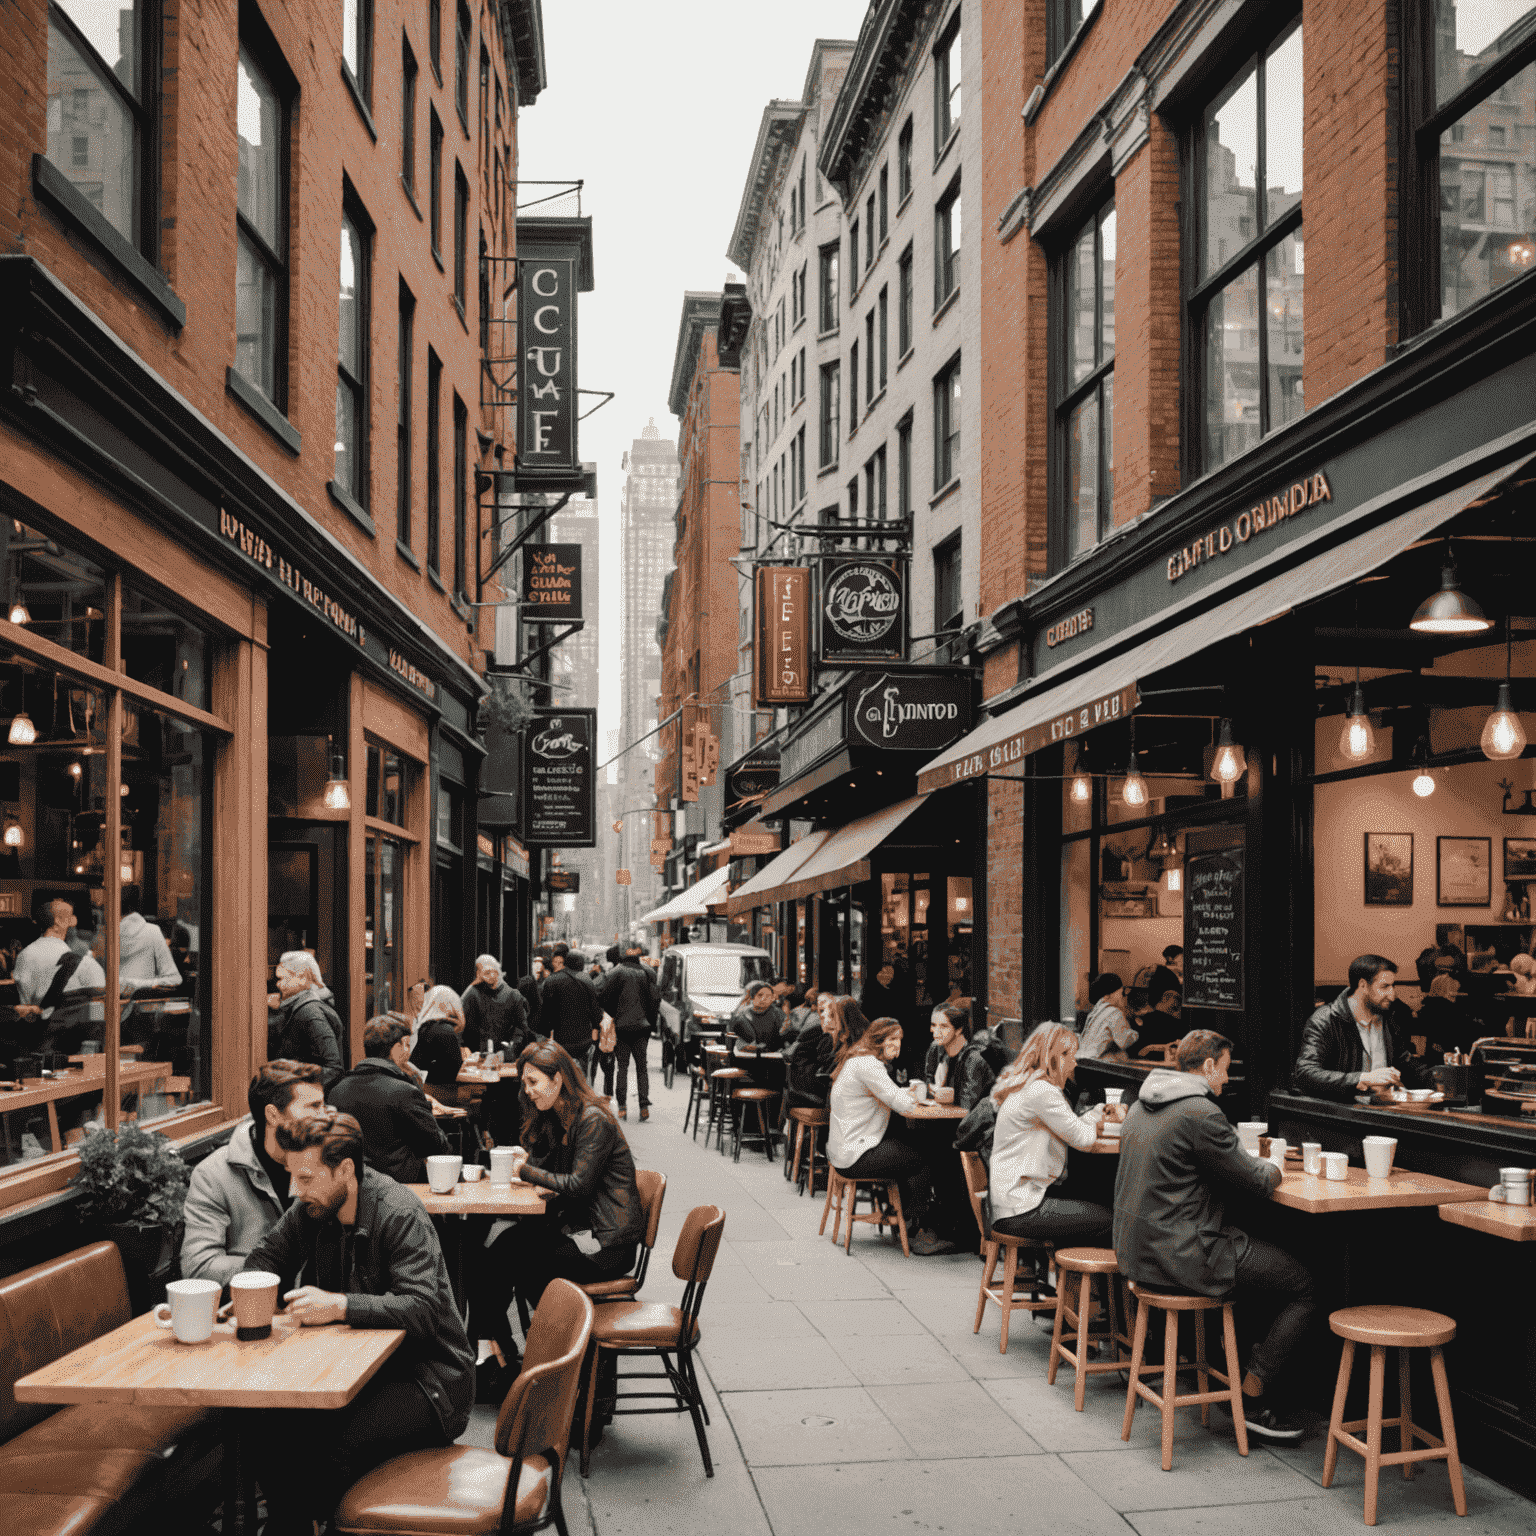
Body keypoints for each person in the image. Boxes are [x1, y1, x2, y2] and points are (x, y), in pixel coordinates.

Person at [244, 1112, 474, 1536]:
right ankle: (295, 1524)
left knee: (329, 1440)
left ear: (346, 1170)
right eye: (293, 1177)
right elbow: (266, 1258)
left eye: (308, 1178)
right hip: (356, 1371)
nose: (296, 1190)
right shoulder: (311, 1208)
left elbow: (421, 1308)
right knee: (264, 1424)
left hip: (431, 1381)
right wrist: (246, 1298)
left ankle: (327, 1523)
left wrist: (341, 1306)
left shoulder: (398, 1213)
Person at [1114, 1029, 1314, 1444]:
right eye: (1224, 1070)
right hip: (1182, 1254)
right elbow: (1258, 1181)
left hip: (1137, 1252)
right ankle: (1252, 1395)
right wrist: (1276, 1162)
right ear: (1207, 1066)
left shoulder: (1142, 1101)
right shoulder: (1199, 1112)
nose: (1225, 1081)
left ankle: (1229, 1371)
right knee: (1302, 1286)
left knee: (1259, 1269)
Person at [483, 1040, 643, 1351]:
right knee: (500, 1249)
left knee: (523, 1260)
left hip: (606, 1245)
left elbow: (577, 1184)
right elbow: (554, 1171)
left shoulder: (593, 1118)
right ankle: (496, 1348)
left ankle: (560, 1348)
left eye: (533, 1082)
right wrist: (528, 1161)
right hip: (580, 1230)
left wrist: (524, 1170)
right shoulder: (561, 1116)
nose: (528, 1091)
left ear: (558, 1079)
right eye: (524, 1083)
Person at [180, 1060, 326, 1285]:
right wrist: (275, 1266)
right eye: (314, 1107)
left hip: (324, 1304)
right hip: (252, 1306)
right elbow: (200, 1267)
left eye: (324, 1106)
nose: (325, 1118)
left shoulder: (330, 1159)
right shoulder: (213, 1175)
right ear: (273, 1115)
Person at [827, 1017, 952, 1255]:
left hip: (844, 1149)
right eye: (892, 1039)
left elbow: (891, 1094)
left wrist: (905, 1094)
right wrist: (914, 1095)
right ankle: (916, 1230)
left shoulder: (859, 1061)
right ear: (879, 1041)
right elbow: (902, 1106)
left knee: (909, 1147)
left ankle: (902, 1217)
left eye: (900, 1040)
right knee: (923, 1157)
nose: (898, 1045)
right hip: (856, 1154)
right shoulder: (869, 1065)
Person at [987, 1022, 1113, 1247]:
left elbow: (1071, 1127)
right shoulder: (1042, 1092)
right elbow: (1083, 1139)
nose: (1074, 1063)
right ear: (1057, 1057)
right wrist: (1100, 1117)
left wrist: (1096, 1114)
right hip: (1021, 1206)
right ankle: (1080, 1280)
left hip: (1009, 1202)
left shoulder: (1027, 1084)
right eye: (1071, 1056)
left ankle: (1067, 1280)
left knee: (1087, 1205)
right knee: (1109, 1220)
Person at [330, 1016, 453, 1184]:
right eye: (407, 1045)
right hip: (401, 1187)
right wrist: (415, 1086)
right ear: (398, 1046)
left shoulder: (337, 1091)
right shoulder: (404, 1092)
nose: (409, 1052)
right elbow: (436, 1146)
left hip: (352, 1184)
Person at [1295, 953, 1433, 1100]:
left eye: (1393, 986)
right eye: (1385, 986)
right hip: (1343, 1113)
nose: (1392, 995)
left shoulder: (1387, 1017)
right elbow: (1305, 1072)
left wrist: (1441, 1080)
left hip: (1383, 1109)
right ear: (1363, 985)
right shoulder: (1326, 1019)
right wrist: (1362, 1078)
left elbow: (1406, 1063)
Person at [14, 899, 107, 1051]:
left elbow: (25, 1002)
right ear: (58, 921)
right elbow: (99, 1004)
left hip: (40, 1041)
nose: (74, 921)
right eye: (71, 916)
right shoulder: (85, 963)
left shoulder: (25, 955)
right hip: (75, 1043)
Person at [598, 942, 660, 1121]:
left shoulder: (615, 973)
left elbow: (605, 998)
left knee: (622, 1067)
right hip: (642, 1027)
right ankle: (643, 1105)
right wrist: (651, 1023)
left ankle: (623, 1107)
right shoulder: (648, 973)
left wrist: (613, 1016)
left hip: (622, 1027)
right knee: (642, 1067)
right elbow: (654, 1001)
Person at [267, 951, 345, 1087]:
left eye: (283, 978)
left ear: (302, 978)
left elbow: (333, 1068)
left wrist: (299, 1091)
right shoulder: (301, 1008)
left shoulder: (310, 1013)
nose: (278, 985)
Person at [922, 1002, 996, 1109]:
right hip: (943, 1116)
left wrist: (953, 1097)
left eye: (943, 1026)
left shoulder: (973, 1058)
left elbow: (968, 1104)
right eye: (933, 1025)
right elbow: (928, 1086)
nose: (935, 1031)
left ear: (958, 1029)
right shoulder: (936, 1049)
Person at [540, 943, 602, 1059]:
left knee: (563, 1071)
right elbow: (596, 1012)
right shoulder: (587, 980)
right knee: (582, 1072)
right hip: (584, 1039)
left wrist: (545, 1037)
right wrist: (596, 1029)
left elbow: (546, 1013)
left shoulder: (552, 980)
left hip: (561, 1039)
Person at [459, 954, 529, 1057]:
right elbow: (459, 1015)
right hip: (479, 1054)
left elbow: (521, 1028)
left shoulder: (513, 995)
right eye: (483, 972)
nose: (488, 976)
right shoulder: (475, 993)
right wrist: (461, 1046)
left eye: (490, 971)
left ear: (497, 970)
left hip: (504, 1054)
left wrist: (512, 1048)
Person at [410, 985, 469, 1087]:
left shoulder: (426, 1026)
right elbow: (454, 1070)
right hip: (441, 1090)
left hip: (425, 1086)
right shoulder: (445, 1030)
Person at [1078, 973, 1137, 1061]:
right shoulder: (1114, 1013)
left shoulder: (1094, 1013)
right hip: (1095, 1061)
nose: (1122, 997)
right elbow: (1123, 1041)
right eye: (1121, 993)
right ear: (1108, 995)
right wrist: (1135, 1034)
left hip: (1081, 1058)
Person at [1134, 988, 1185, 1059]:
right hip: (1167, 1061)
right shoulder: (1178, 1024)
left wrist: (1150, 1048)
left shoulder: (1144, 1018)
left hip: (1141, 1060)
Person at [517, 951, 548, 1038]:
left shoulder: (541, 984)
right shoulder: (529, 982)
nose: (539, 966)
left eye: (541, 963)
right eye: (535, 963)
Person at [1146, 945, 1183, 1009]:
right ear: (1170, 959)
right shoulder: (1163, 975)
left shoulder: (1163, 972)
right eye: (1182, 957)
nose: (1183, 960)